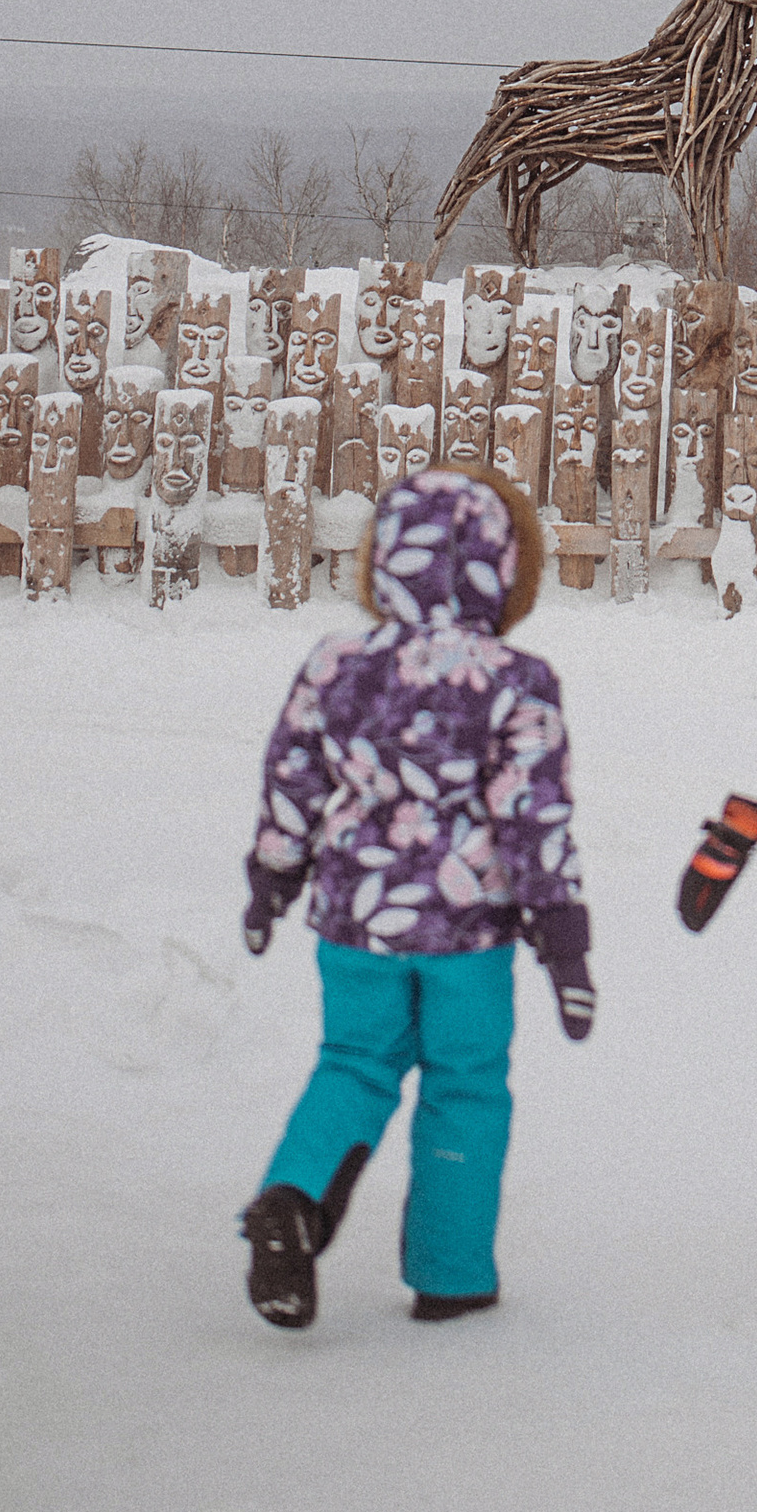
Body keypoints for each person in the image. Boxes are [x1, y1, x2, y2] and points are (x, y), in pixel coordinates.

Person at [236, 466, 594, 1331]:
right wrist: (561, 932)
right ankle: (451, 1271)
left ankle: (293, 1196)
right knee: (465, 1085)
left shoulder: (336, 664)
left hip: (355, 922)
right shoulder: (518, 679)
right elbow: (531, 813)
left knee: (353, 1064)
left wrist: (273, 876)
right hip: (469, 939)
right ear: (505, 572)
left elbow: (294, 774)